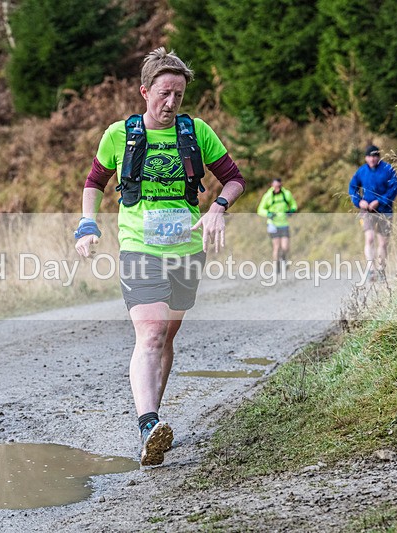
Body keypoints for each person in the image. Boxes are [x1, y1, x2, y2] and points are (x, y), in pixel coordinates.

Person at [74, 47, 245, 466]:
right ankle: (148, 423)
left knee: (166, 336)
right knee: (149, 333)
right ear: (145, 91)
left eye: (179, 96)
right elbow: (94, 181)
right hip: (139, 246)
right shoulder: (120, 134)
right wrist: (88, 222)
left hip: (187, 249)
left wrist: (218, 209)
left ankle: (156, 428)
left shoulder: (197, 132)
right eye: (164, 94)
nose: (171, 103)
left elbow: (234, 179)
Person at [348, 144, 397, 282]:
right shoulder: (361, 171)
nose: (372, 159)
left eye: (375, 156)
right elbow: (352, 188)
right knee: (369, 238)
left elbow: (393, 189)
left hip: (384, 210)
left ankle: (382, 270)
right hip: (367, 211)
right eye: (370, 156)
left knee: (383, 242)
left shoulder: (388, 169)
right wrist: (359, 202)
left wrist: (379, 201)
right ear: (366, 158)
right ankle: (371, 270)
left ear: (379, 157)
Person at [256, 178, 297, 272]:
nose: (277, 188)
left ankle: (284, 259)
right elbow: (260, 210)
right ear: (272, 186)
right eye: (275, 186)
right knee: (276, 246)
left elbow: (294, 204)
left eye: (279, 186)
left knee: (285, 247)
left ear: (281, 185)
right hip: (273, 225)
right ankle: (276, 266)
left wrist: (292, 210)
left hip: (284, 224)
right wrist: (268, 214)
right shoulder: (268, 196)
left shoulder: (286, 194)